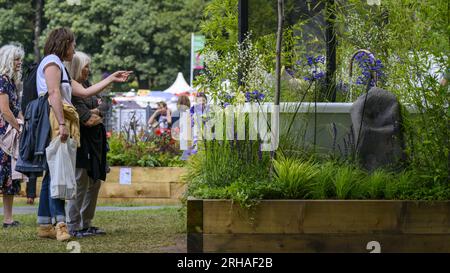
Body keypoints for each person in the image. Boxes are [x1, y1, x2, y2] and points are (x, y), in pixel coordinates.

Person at [35, 27, 131, 241]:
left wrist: (112, 78)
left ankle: (44, 224)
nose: (74, 48)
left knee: (52, 174)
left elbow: (86, 91)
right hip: (54, 121)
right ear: (64, 44)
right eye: (72, 44)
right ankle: (61, 224)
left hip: (57, 121)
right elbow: (53, 93)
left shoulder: (60, 66)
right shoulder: (52, 62)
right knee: (57, 173)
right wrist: (61, 123)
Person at [64, 51, 108, 237]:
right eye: (86, 66)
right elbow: (87, 120)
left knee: (95, 182)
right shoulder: (73, 92)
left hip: (95, 143)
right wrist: (96, 110)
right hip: (80, 144)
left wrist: (95, 110)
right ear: (76, 67)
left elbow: (105, 105)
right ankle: (73, 225)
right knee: (80, 182)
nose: (88, 70)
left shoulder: (88, 86)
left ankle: (86, 222)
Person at [0, 44, 24, 228]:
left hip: (9, 135)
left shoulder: (11, 82)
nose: (19, 62)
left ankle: (8, 219)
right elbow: (5, 110)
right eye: (16, 59)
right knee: (4, 174)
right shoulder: (2, 81)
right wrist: (18, 126)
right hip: (3, 136)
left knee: (9, 178)